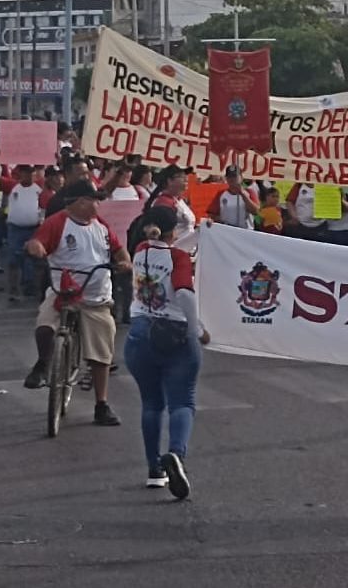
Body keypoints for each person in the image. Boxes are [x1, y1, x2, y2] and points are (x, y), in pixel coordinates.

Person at [24, 180, 131, 426]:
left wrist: (125, 262)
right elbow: (37, 241)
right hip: (63, 291)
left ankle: (101, 404)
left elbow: (119, 251)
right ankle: (43, 363)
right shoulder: (58, 222)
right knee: (44, 325)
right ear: (80, 202)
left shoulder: (101, 226)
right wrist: (36, 248)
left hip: (95, 296)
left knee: (102, 352)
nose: (98, 204)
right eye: (94, 199)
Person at [124, 205, 207, 498]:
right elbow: (184, 291)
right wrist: (196, 330)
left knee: (151, 404)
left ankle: (153, 469)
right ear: (174, 231)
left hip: (139, 332)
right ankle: (176, 454)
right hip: (173, 333)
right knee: (182, 401)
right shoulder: (179, 258)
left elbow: (166, 246)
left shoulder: (141, 250)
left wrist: (200, 235)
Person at [0, 164, 45, 301]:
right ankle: (13, 289)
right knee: (14, 260)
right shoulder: (12, 186)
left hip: (34, 228)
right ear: (20, 174)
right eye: (25, 172)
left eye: (30, 172)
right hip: (15, 229)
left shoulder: (40, 187)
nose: (28, 175)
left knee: (35, 260)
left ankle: (33, 288)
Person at [206, 165, 259, 230]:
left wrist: (243, 194)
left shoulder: (250, 192)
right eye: (229, 176)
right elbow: (212, 214)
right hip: (227, 232)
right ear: (226, 178)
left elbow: (255, 211)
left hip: (245, 232)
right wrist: (211, 220)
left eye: (234, 176)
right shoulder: (221, 194)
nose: (232, 179)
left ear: (241, 177)